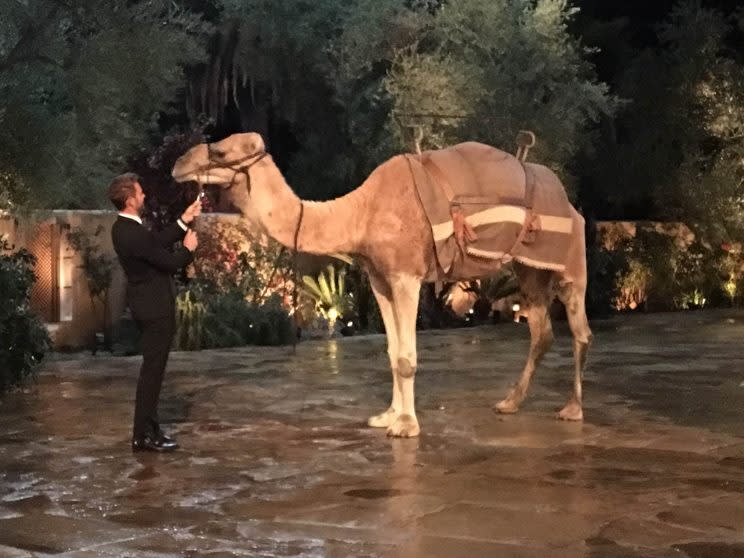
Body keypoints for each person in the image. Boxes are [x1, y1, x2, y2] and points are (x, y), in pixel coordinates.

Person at [108, 173, 201, 452]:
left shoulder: (124, 228)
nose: (144, 196)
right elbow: (169, 262)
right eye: (139, 192)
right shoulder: (131, 232)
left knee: (153, 372)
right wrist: (188, 250)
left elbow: (156, 243)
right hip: (154, 309)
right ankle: (144, 435)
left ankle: (148, 431)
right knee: (152, 374)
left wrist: (184, 220)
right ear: (129, 199)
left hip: (147, 306)